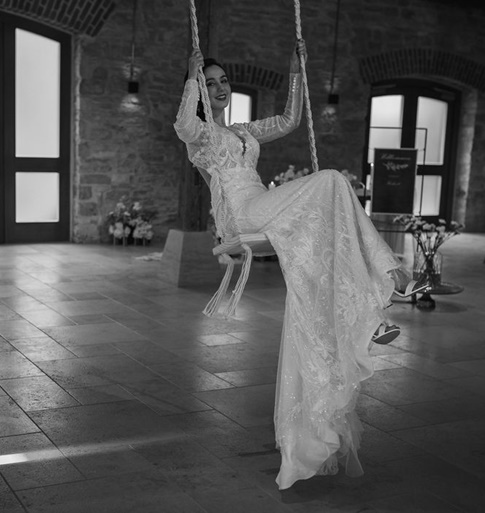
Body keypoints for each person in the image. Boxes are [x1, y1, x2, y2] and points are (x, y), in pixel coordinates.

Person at [174, 39, 422, 490]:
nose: (220, 87)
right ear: (200, 91)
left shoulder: (244, 130)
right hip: (244, 215)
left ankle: (367, 307)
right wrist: (191, 79)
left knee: (332, 204)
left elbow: (289, 121)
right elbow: (183, 124)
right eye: (210, 83)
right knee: (331, 181)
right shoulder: (201, 137)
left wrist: (294, 72)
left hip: (264, 203)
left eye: (223, 80)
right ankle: (390, 274)